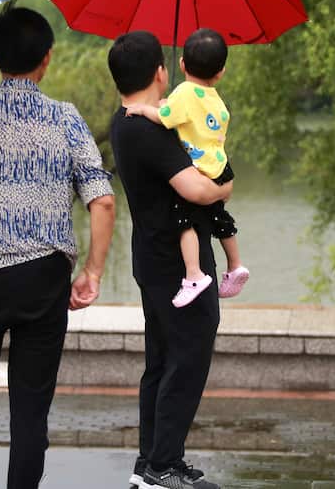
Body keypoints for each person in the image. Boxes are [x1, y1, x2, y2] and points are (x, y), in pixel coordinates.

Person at [0, 6, 116, 489]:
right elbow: (103, 200)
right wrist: (92, 273)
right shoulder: (65, 118)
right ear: (47, 58)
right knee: (30, 410)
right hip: (42, 278)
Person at [108, 31, 232, 489]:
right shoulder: (147, 129)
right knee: (188, 358)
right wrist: (226, 186)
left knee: (162, 360)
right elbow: (198, 188)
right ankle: (164, 465)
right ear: (161, 71)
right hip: (179, 266)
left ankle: (153, 462)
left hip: (153, 255)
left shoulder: (125, 121)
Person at [125, 28, 249, 308]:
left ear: (181, 64)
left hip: (199, 168)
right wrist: (172, 106)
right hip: (219, 166)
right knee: (220, 217)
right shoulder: (216, 99)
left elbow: (166, 119)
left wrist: (148, 109)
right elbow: (194, 119)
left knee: (184, 221)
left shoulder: (182, 91)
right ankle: (236, 264)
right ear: (221, 73)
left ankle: (194, 275)